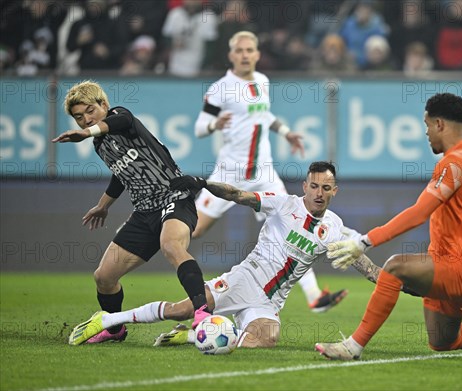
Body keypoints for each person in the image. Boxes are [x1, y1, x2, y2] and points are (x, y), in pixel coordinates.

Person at [315, 93, 462, 360]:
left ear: (439, 124)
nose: (426, 133)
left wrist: (364, 241)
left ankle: (353, 347)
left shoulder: (457, 162)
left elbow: (419, 213)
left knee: (395, 266)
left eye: (426, 125)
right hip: (451, 265)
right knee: (443, 340)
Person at [67, 162, 380, 348]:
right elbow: (239, 195)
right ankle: (108, 319)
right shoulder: (284, 204)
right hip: (243, 281)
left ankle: (193, 337)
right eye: (314, 186)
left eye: (326, 188)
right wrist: (203, 184)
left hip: (270, 302)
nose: (319, 193)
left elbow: (361, 262)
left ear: (335, 191)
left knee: (265, 340)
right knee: (180, 309)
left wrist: (391, 281)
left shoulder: (335, 228)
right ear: (305, 185)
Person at [192, 30, 348, 313]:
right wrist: (215, 125)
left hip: (263, 171)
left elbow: (263, 115)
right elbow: (199, 127)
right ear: (231, 55)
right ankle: (149, 229)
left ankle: (314, 297)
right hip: (229, 171)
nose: (244, 55)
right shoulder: (220, 88)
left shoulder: (263, 82)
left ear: (257, 54)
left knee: (295, 222)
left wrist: (286, 132)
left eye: (249, 50)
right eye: (239, 50)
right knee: (195, 229)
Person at [52, 80, 212, 345]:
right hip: (144, 212)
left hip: (174, 197)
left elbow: (118, 123)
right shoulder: (100, 144)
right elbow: (121, 174)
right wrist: (103, 205)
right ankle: (115, 328)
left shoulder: (121, 116)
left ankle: (203, 313)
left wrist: (87, 131)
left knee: (171, 245)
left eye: (90, 111)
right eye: (79, 117)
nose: (85, 120)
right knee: (104, 277)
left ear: (104, 105)